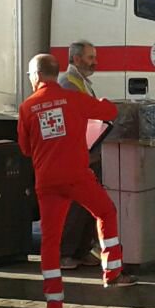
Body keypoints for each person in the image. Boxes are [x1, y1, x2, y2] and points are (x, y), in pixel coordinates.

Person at [17, 53, 136, 308]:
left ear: (36, 76)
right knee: (105, 212)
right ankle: (112, 271)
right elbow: (110, 111)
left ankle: (54, 302)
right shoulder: (74, 99)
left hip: (46, 181)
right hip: (76, 176)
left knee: (50, 240)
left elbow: (25, 149)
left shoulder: (27, 107)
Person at [56, 40, 102, 270]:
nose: (95, 62)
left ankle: (81, 251)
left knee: (86, 206)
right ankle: (65, 253)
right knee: (75, 206)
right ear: (76, 59)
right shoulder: (68, 83)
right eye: (90, 57)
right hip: (76, 154)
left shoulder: (81, 82)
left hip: (87, 153)